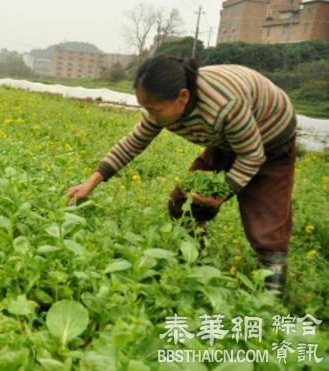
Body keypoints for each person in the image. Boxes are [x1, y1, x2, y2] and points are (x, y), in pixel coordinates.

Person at [67, 55, 297, 297]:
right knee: (182, 202)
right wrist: (91, 183)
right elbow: (133, 143)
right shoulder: (163, 105)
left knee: (266, 214)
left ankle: (271, 296)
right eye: (146, 109)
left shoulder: (224, 105)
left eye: (154, 110)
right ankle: (194, 258)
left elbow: (252, 155)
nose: (150, 117)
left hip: (272, 134)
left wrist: (225, 191)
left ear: (183, 96)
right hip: (229, 139)